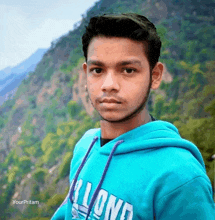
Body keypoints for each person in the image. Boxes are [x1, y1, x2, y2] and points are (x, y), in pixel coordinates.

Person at [51, 13, 215, 220]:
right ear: (86, 74)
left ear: (155, 76)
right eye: (97, 70)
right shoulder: (85, 147)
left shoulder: (180, 178)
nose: (109, 84)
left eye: (128, 70)